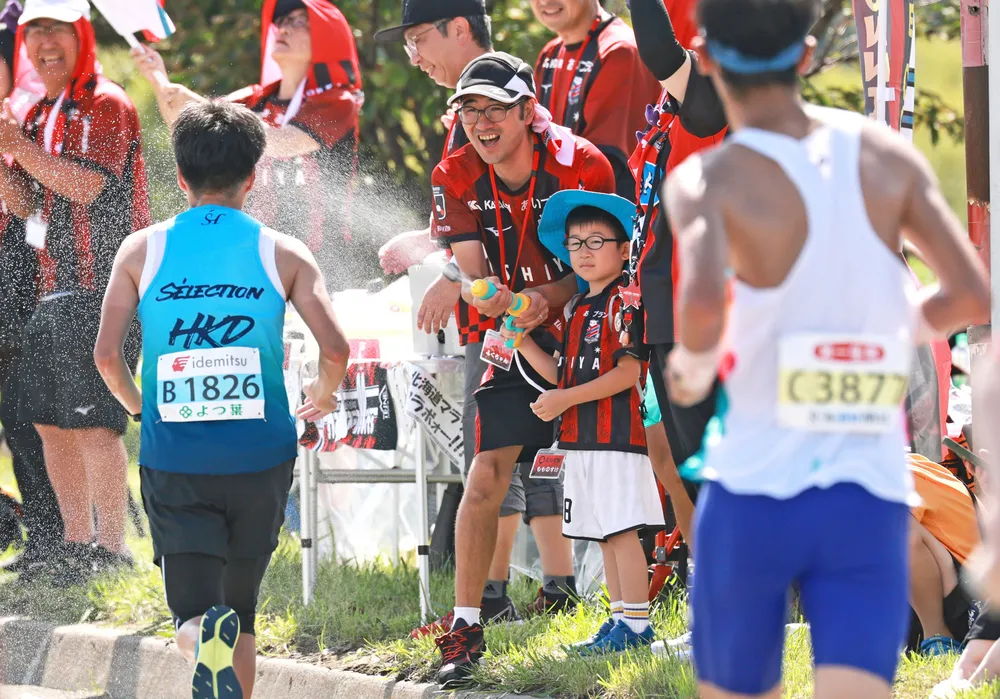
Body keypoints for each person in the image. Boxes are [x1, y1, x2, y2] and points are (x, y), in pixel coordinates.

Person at [663, 0, 990, 696]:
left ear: (708, 57)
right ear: (808, 56)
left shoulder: (706, 180)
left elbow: (696, 314)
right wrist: (887, 325)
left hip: (752, 487)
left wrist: (690, 369)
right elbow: (969, 294)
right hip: (863, 494)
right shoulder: (883, 156)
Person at [94, 100, 350, 699]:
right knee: (242, 613)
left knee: (197, 616)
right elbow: (334, 348)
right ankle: (215, 647)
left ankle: (194, 636)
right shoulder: (283, 251)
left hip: (176, 455)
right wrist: (321, 393)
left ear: (180, 178)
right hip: (260, 455)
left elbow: (107, 357)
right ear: (253, 176)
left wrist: (140, 409)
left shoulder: (141, 249)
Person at [375, 0, 576, 630]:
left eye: (417, 40)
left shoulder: (541, 132)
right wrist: (458, 270)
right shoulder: (457, 137)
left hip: (565, 314)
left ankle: (549, 588)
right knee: (499, 459)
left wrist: (458, 276)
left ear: (459, 27)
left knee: (534, 455)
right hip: (503, 323)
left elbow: (562, 223)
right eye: (472, 111)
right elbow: (470, 231)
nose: (414, 57)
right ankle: (497, 602)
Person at [428, 52, 615, 687]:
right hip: (510, 335)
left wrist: (549, 300)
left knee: (626, 471)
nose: (481, 123)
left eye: (495, 108)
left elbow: (602, 261)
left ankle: (640, 614)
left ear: (528, 112)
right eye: (469, 110)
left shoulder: (580, 161)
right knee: (484, 474)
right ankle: (466, 621)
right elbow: (474, 274)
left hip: (592, 327)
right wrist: (501, 305)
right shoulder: (453, 173)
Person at [0, 0, 151, 584]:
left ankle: (111, 549)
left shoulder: (107, 103)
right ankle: (74, 546)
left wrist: (24, 148)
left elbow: (87, 189)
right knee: (48, 425)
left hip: (104, 287)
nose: (44, 42)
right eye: (34, 30)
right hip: (52, 290)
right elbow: (31, 207)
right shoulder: (38, 111)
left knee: (93, 424)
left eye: (57, 29)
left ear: (82, 35)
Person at [517, 190, 664, 653]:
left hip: (618, 438)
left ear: (625, 250)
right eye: (575, 243)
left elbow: (628, 373)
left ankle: (637, 628)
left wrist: (563, 400)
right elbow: (557, 373)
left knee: (621, 531)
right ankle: (619, 621)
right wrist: (519, 342)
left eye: (597, 241)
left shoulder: (626, 301)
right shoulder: (576, 307)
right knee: (602, 533)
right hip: (581, 442)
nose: (583, 251)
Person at [133, 0, 365, 290]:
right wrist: (159, 79)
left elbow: (284, 142)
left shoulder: (336, 102)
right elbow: (192, 128)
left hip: (322, 263)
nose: (282, 28)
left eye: (298, 22)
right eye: (280, 21)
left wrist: (201, 104)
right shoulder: (256, 99)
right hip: (254, 258)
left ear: (326, 38)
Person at [623, 0, 727, 542]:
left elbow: (660, 50)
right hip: (663, 306)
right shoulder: (670, 108)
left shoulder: (711, 93)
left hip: (704, 309)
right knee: (694, 469)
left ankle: (767, 608)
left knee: (720, 470)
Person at [0, 0, 61, 579]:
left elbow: (26, 208)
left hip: (22, 275)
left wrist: (9, 148)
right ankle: (29, 528)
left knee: (26, 415)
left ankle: (50, 534)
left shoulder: (29, 115)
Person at [530, 0, 660, 198]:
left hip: (606, 214)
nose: (546, 1)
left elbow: (604, 164)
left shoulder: (619, 50)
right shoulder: (550, 52)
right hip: (561, 203)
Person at [905, 453, 980, 655]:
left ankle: (938, 636)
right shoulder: (915, 463)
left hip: (971, 604)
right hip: (977, 592)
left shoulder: (899, 478)